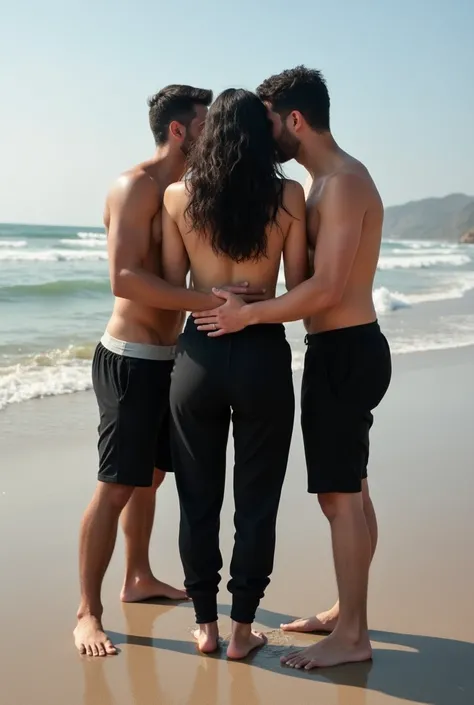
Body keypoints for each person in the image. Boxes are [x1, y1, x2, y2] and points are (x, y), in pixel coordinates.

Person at [192, 67, 392, 670]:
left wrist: (247, 318)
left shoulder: (344, 182)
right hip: (343, 349)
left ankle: (353, 634)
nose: (265, 132)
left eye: (271, 120)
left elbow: (327, 290)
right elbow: (311, 287)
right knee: (353, 490)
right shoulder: (325, 183)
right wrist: (260, 302)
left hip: (346, 348)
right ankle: (345, 609)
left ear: (294, 120)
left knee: (339, 499)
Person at [74, 84, 264, 657]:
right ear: (180, 130)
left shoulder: (189, 191)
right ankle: (87, 611)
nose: (215, 133)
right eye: (207, 124)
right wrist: (209, 302)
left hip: (170, 358)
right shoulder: (135, 186)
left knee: (151, 478)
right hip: (131, 359)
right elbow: (125, 279)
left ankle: (138, 576)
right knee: (116, 484)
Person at [161, 88, 308, 660]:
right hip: (262, 350)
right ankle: (243, 628)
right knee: (257, 499)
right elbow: (299, 290)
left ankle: (205, 624)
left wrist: (210, 297)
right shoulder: (289, 195)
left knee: (197, 496)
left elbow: (176, 287)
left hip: (198, 352)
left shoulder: (179, 197)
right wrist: (250, 301)